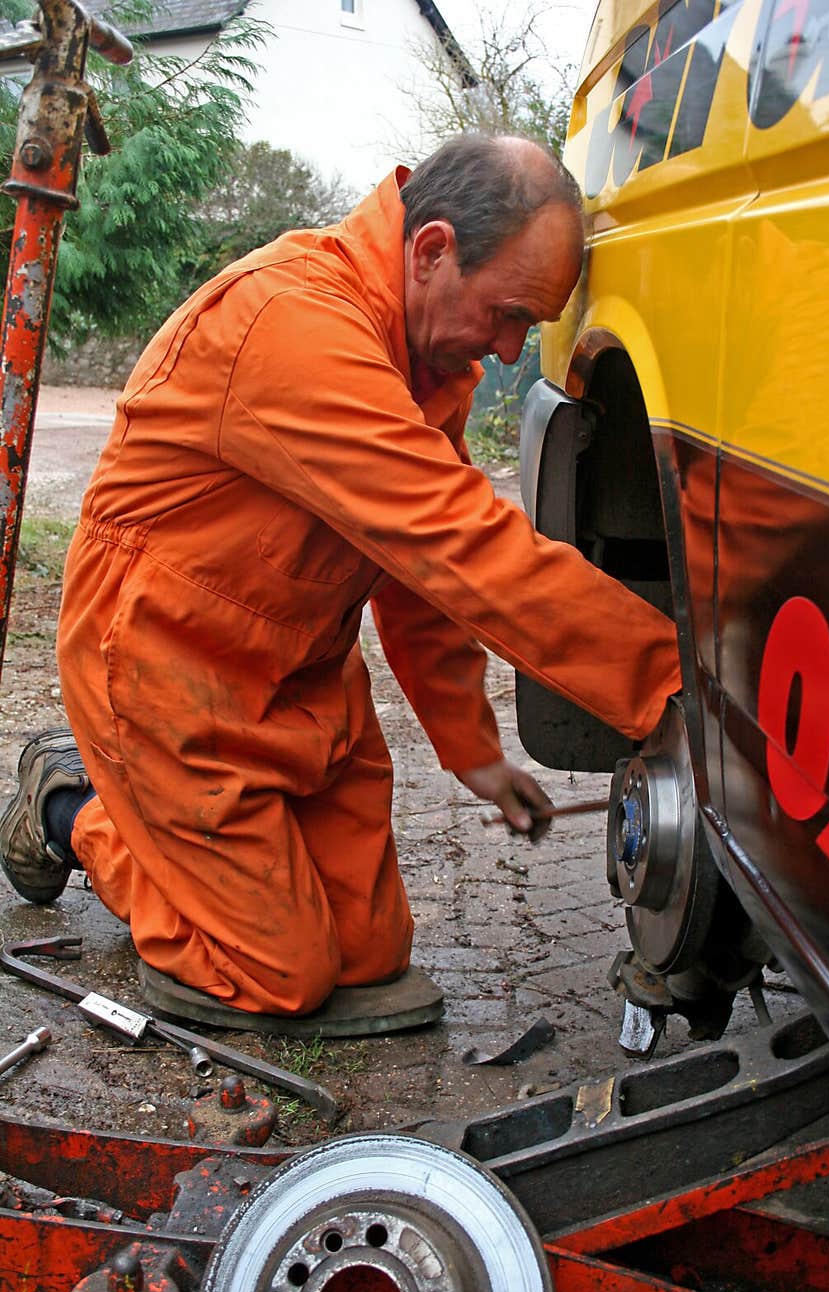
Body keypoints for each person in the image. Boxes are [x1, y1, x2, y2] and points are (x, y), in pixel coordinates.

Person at [0, 134, 681, 1035]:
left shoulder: (428, 364)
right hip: (165, 673)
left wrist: (469, 748)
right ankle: (74, 806)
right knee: (277, 974)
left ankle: (174, 835)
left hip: (298, 679)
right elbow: (461, 543)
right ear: (433, 249)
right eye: (510, 314)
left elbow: (420, 573)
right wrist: (675, 689)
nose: (512, 350)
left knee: (368, 956)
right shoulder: (294, 327)